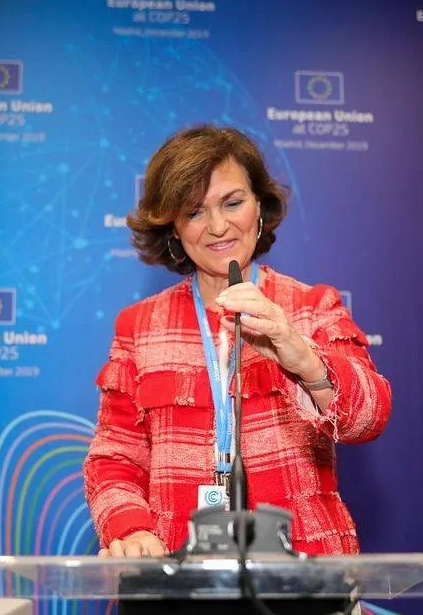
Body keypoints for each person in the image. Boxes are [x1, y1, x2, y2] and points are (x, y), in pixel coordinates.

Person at [82, 124, 392, 559]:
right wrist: (130, 529)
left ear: (259, 205)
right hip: (178, 569)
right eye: (194, 212)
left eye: (232, 203)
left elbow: (368, 419)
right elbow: (115, 456)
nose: (218, 226)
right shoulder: (140, 325)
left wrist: (303, 356)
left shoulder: (311, 306)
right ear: (173, 226)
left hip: (306, 569)